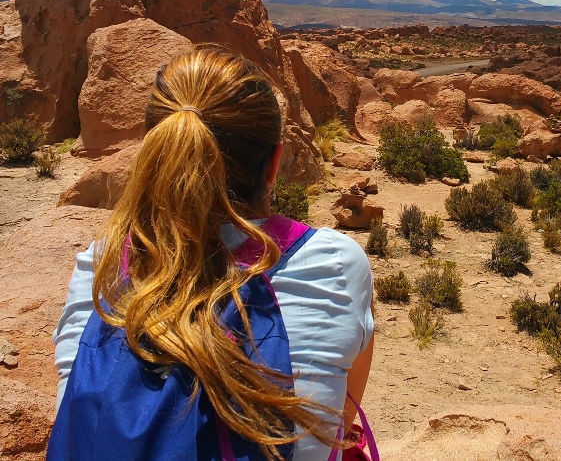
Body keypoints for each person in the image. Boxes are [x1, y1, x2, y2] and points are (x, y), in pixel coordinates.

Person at [50, 47, 374, 460]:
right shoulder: (335, 263)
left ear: (157, 151)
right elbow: (342, 417)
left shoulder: (101, 270)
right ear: (273, 163)